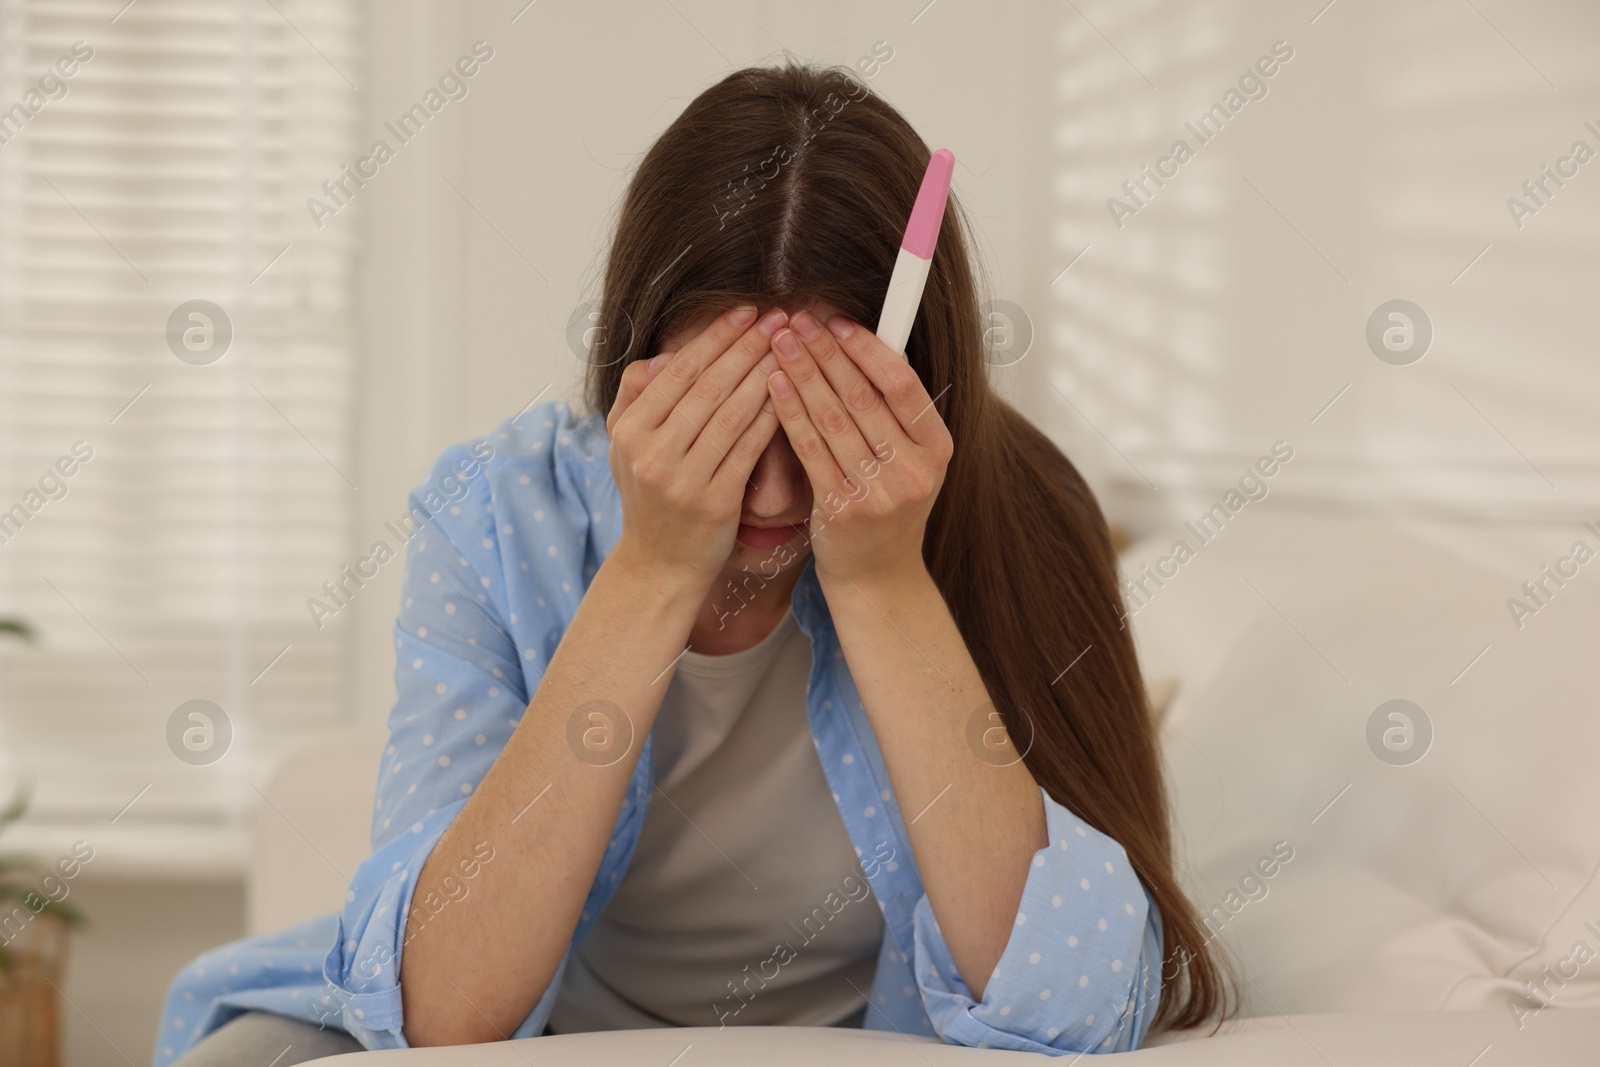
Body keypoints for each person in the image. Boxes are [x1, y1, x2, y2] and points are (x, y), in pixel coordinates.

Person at [154, 62, 1232, 1067]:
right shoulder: (497, 510)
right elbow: (442, 1013)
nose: (764, 497)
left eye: (818, 429)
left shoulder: (1023, 513)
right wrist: (653, 568)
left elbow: (1073, 1002)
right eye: (717, 426)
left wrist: (881, 581)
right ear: (636, 366)